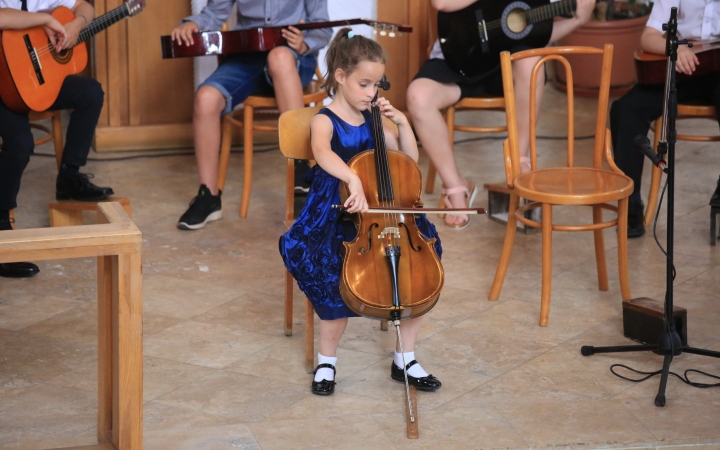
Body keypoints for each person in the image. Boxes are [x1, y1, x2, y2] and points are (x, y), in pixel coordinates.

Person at [279, 29, 443, 396]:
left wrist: (401, 123)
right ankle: (327, 361)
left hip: (381, 210)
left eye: (376, 84)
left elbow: (409, 164)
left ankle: (405, 358)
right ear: (340, 77)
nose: (372, 92)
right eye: (364, 84)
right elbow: (322, 153)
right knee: (333, 270)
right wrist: (352, 179)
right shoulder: (324, 118)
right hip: (335, 209)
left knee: (419, 266)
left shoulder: (376, 118)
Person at [407, 0, 595, 229]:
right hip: (460, 58)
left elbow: (539, 32)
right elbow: (441, 3)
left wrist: (579, 19)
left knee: (531, 61)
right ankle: (456, 186)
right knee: (418, 97)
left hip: (508, 66)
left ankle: (519, 160)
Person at [171, 0, 331, 230]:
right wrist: (192, 24)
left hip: (292, 58)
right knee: (205, 98)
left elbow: (322, 28)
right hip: (248, 57)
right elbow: (214, 13)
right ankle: (209, 196)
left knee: (279, 57)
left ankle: (300, 167)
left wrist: (304, 44)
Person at [0, 1, 113, 279]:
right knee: (19, 144)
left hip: (35, 78)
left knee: (90, 92)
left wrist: (77, 23)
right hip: (3, 86)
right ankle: (1, 233)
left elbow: (84, 6)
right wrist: (45, 21)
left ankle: (69, 178)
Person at [611, 0, 720, 238]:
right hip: (682, 68)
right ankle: (630, 204)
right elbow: (648, 36)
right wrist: (676, 48)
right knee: (626, 109)